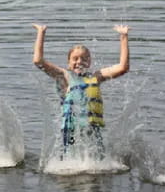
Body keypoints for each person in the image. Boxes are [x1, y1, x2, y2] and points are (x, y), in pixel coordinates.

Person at [32, 23, 130, 159]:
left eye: (84, 59)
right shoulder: (64, 76)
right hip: (72, 132)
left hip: (93, 131)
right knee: (70, 159)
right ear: (68, 63)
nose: (80, 62)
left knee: (98, 159)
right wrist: (41, 33)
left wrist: (123, 36)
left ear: (89, 62)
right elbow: (38, 61)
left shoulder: (96, 77)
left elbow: (122, 68)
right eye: (75, 58)